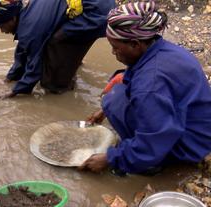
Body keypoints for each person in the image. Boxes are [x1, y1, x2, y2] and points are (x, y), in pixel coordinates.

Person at [80, 1, 211, 175]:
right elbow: (135, 74)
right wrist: (103, 110)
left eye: (116, 48)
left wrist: (111, 158)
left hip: (189, 144)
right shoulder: (163, 49)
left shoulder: (150, 84)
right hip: (195, 123)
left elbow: (154, 142)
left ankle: (154, 165)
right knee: (115, 94)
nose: (113, 53)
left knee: (115, 101)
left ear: (135, 44)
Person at [0, 0, 115, 98]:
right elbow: (23, 49)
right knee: (51, 38)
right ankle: (70, 64)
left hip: (96, 14)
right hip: (90, 6)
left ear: (13, 18)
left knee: (51, 79)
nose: (2, 31)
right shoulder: (26, 11)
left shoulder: (30, 28)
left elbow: (34, 67)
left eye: (2, 26)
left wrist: (16, 91)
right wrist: (11, 77)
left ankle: (60, 86)